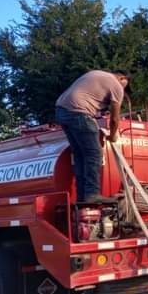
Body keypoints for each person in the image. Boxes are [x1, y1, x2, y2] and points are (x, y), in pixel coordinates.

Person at [55, 70, 130, 204]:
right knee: (94, 154)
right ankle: (92, 193)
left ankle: (82, 196)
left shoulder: (96, 74)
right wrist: (112, 136)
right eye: (125, 85)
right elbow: (114, 119)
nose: (123, 88)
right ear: (122, 78)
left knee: (80, 155)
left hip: (61, 111)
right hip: (79, 112)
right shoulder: (116, 85)